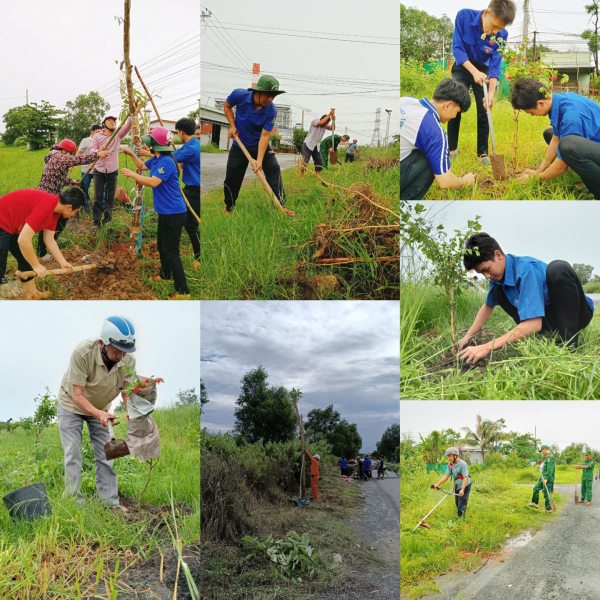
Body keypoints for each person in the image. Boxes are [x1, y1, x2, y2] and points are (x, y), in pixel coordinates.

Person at [459, 233, 594, 363]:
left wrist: (486, 347)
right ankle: (550, 337)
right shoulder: (497, 279)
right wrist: (467, 337)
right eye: (482, 273)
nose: (486, 276)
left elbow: (534, 324)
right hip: (552, 318)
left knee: (558, 268)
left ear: (498, 255)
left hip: (578, 314)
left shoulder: (525, 270)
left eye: (486, 269)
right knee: (497, 292)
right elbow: (487, 307)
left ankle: (571, 349)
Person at [58, 316, 137, 511]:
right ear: (103, 342)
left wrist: (134, 415)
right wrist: (98, 414)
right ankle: (73, 503)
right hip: (71, 405)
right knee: (73, 453)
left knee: (106, 454)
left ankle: (110, 504)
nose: (120, 355)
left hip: (102, 408)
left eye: (124, 351)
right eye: (116, 349)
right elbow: (77, 395)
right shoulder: (83, 352)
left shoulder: (128, 359)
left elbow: (127, 391)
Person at [120, 127, 191, 300]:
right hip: (165, 212)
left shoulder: (166, 161)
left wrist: (131, 175)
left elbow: (153, 182)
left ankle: (184, 292)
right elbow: (142, 166)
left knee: (171, 251)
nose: (147, 144)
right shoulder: (157, 159)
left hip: (174, 213)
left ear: (155, 144)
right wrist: (131, 154)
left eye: (149, 141)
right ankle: (165, 275)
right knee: (162, 246)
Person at [448, 0, 517, 164]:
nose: (494, 32)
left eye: (499, 29)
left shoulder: (501, 35)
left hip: (484, 71)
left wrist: (491, 93)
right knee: (455, 100)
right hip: (463, 66)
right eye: (493, 26)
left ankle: (483, 154)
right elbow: (458, 49)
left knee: (484, 109)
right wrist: (473, 72)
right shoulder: (464, 16)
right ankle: (452, 149)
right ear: (486, 13)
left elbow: (495, 66)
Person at [510, 78, 600, 199]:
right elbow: (556, 139)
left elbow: (561, 167)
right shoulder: (559, 101)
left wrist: (535, 179)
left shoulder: (571, 116)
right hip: (594, 144)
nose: (532, 115)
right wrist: (540, 170)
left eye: (531, 112)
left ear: (541, 103)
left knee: (568, 147)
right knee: (550, 134)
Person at [222, 75, 294, 216]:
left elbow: (265, 135)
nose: (270, 99)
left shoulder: (271, 110)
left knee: (274, 169)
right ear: (258, 91)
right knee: (232, 176)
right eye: (268, 95)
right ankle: (229, 207)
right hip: (239, 144)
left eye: (273, 96)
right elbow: (227, 105)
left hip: (258, 143)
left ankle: (280, 205)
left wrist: (259, 160)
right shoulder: (239, 95)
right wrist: (232, 126)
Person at [0, 187, 82, 299]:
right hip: (2, 219)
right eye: (76, 212)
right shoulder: (46, 207)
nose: (74, 215)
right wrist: (36, 265)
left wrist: (63, 262)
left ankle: (32, 294)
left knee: (26, 259)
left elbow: (49, 239)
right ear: (68, 207)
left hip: (12, 225)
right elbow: (23, 240)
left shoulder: (55, 212)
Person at [400, 78, 476, 200]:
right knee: (433, 157)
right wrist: (464, 181)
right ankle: (402, 206)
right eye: (457, 112)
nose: (455, 116)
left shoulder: (406, 100)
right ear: (448, 105)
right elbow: (445, 182)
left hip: (377, 167)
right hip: (391, 178)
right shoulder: (435, 131)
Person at [37, 139, 108, 258]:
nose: (70, 156)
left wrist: (72, 181)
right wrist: (97, 155)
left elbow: (58, 176)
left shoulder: (53, 157)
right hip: (47, 196)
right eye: (70, 153)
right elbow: (78, 160)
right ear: (64, 150)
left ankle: (50, 242)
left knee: (60, 219)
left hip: (50, 195)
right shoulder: (59, 157)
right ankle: (42, 252)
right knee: (47, 222)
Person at [88, 115, 132, 232]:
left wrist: (132, 114)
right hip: (99, 170)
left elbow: (128, 125)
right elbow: (92, 149)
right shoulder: (97, 136)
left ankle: (107, 220)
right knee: (97, 197)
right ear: (103, 124)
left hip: (112, 170)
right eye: (109, 121)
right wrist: (99, 152)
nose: (113, 122)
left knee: (110, 197)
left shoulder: (117, 134)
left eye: (114, 121)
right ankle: (96, 222)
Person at [173, 117, 200, 269]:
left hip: (195, 191)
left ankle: (200, 258)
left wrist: (150, 153)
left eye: (178, 133)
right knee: (186, 221)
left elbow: (170, 158)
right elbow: (177, 154)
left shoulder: (192, 148)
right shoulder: (191, 143)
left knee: (191, 225)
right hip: (190, 189)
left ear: (181, 132)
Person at [432, 447, 472, 518]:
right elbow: (446, 476)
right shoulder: (450, 465)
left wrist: (462, 490)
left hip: (465, 486)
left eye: (450, 456)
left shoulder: (463, 464)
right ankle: (460, 515)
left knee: (461, 505)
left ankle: (461, 522)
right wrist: (437, 484)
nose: (448, 458)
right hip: (457, 486)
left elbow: (465, 477)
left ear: (455, 455)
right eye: (447, 456)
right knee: (457, 503)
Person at [301, 110, 336, 177]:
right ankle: (302, 175)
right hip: (308, 144)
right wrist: (330, 114)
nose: (325, 124)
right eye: (325, 123)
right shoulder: (315, 121)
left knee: (319, 160)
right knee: (305, 160)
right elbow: (321, 123)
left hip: (317, 146)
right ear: (321, 119)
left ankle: (318, 176)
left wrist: (334, 120)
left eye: (326, 123)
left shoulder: (325, 124)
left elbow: (332, 128)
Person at [77, 124, 103, 210]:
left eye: (101, 132)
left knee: (100, 188)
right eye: (97, 132)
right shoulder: (85, 141)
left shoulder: (102, 141)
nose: (100, 134)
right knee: (84, 188)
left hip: (98, 169)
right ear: (92, 132)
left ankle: (101, 205)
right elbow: (79, 152)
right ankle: (85, 205)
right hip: (86, 169)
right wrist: (73, 164)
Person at [529, 445, 555, 513]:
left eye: (542, 451)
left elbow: (550, 470)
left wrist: (546, 479)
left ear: (544, 449)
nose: (542, 453)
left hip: (547, 479)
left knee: (547, 493)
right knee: (535, 488)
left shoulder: (550, 457)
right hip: (543, 478)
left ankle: (548, 509)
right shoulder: (547, 457)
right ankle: (536, 504)